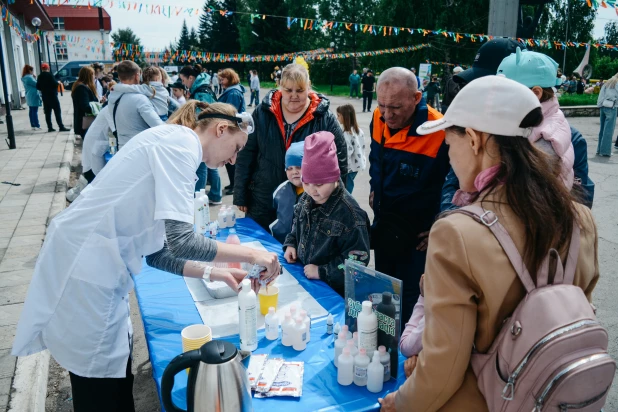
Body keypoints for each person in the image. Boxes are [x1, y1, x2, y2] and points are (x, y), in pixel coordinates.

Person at [12, 100, 281, 412]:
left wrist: (216, 273)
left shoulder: (173, 142)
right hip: (87, 273)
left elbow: (158, 254)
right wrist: (252, 254)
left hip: (97, 270)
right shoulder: (181, 144)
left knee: (111, 379)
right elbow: (182, 242)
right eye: (235, 148)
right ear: (221, 129)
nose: (232, 160)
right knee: (100, 391)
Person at [378, 74, 599, 412]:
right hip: (551, 396)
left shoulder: (455, 234)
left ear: (474, 139)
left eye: (450, 147)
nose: (450, 159)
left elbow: (443, 369)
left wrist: (400, 403)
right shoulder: (580, 218)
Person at [444, 39, 595, 210]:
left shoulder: (548, 139)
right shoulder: (492, 123)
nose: (490, 94)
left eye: (501, 89)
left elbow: (577, 203)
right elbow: (452, 180)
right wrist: (451, 218)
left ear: (535, 93)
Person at [368, 67, 450, 322]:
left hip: (419, 239)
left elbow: (456, 185)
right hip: (386, 228)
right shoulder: (377, 118)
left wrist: (442, 222)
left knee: (412, 304)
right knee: (385, 295)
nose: (387, 114)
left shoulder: (439, 129)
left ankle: (407, 356)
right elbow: (375, 161)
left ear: (416, 98)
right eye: (382, 104)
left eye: (395, 107)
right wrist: (374, 188)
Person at [234, 63, 348, 230]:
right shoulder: (263, 112)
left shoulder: (324, 118)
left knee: (297, 252)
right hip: (262, 199)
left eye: (300, 90)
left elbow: (340, 162)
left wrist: (335, 201)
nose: (294, 95)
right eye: (288, 90)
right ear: (280, 87)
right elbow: (246, 153)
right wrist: (240, 194)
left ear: (308, 87)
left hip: (307, 202)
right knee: (260, 250)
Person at [283, 131, 370, 297]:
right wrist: (291, 243)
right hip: (304, 280)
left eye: (320, 184)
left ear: (334, 177)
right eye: (306, 182)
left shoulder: (351, 216)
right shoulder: (307, 197)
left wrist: (323, 272)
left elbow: (357, 262)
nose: (312, 190)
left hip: (333, 291)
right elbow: (297, 223)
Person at [497, 48, 574, 185]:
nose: (500, 98)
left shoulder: (547, 138)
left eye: (507, 91)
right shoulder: (533, 119)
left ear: (536, 93)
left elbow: (527, 184)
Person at [179, 64, 221, 203]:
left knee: (202, 167)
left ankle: (199, 198)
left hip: (205, 134)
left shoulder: (201, 92)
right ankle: (215, 194)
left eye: (184, 81)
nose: (184, 84)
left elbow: (203, 118)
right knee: (210, 164)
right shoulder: (201, 88)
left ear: (191, 77)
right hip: (210, 133)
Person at [106, 61, 164, 150]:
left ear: (119, 77)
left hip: (122, 149)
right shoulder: (140, 99)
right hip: (141, 150)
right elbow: (159, 126)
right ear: (137, 76)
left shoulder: (112, 97)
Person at [218, 68, 247, 196]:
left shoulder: (233, 93)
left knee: (231, 160)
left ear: (229, 79)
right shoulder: (232, 91)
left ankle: (235, 185)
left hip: (232, 129)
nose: (221, 82)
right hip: (231, 128)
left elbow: (230, 113)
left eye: (222, 79)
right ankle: (233, 183)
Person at [269, 141, 305, 243]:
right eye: (289, 168)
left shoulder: (315, 193)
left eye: (299, 167)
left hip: (302, 248)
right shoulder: (281, 190)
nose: (294, 172)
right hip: (279, 242)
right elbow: (273, 212)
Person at [336, 104, 366, 193]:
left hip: (348, 167)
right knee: (348, 188)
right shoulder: (358, 130)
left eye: (338, 115)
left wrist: (340, 166)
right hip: (356, 165)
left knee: (346, 191)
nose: (337, 118)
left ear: (344, 116)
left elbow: (347, 152)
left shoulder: (346, 133)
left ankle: (348, 206)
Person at [36, 63, 70, 132]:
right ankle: (61, 126)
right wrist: (58, 83)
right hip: (52, 96)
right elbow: (54, 84)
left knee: (47, 113)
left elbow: (37, 86)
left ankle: (50, 127)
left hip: (45, 96)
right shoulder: (49, 75)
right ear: (48, 68)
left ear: (42, 68)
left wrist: (43, 89)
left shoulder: (40, 76)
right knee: (57, 111)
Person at [71, 66, 99, 139]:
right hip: (85, 123)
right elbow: (85, 106)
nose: (94, 77)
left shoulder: (82, 86)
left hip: (85, 123)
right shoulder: (82, 88)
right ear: (88, 76)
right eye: (93, 74)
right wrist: (98, 106)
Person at [596, 73, 618, 158]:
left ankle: (599, 149)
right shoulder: (617, 84)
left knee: (602, 129)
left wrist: (600, 104)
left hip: (603, 106)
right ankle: (605, 151)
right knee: (609, 130)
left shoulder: (608, 82)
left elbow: (601, 94)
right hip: (612, 107)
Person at [21, 65, 42, 131]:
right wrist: (35, 78)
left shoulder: (24, 77)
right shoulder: (29, 78)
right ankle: (36, 125)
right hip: (33, 94)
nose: (33, 72)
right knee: (34, 110)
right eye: (32, 70)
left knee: (31, 110)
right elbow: (37, 84)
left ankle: (33, 125)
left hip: (28, 94)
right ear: (29, 70)